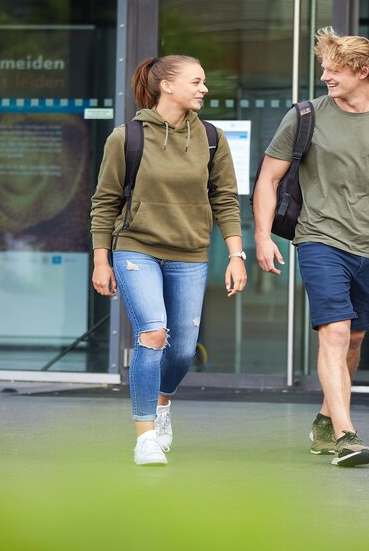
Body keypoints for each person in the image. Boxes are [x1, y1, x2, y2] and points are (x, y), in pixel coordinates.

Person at [253, 27, 369, 468]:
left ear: (364, 72)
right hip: (319, 237)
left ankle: (327, 418)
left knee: (353, 338)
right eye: (324, 68)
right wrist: (260, 235)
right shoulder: (305, 116)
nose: (326, 76)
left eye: (335, 69)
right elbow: (268, 179)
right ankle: (348, 435)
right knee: (332, 331)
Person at [90, 55, 247, 466]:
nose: (204, 89)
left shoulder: (212, 139)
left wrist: (235, 254)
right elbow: (105, 203)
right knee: (153, 334)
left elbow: (225, 200)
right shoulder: (126, 138)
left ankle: (161, 405)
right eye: (196, 81)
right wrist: (101, 260)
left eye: (204, 82)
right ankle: (144, 437)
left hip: (191, 253)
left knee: (180, 353)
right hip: (136, 248)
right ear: (167, 86)